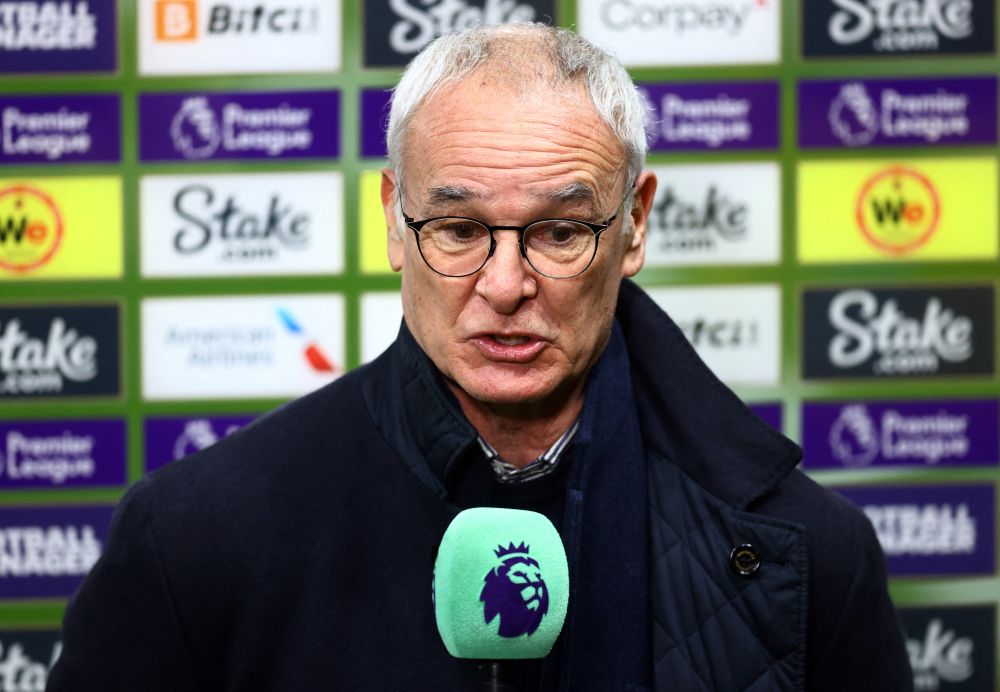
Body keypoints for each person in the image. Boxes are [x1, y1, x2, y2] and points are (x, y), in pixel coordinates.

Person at [47, 23, 913, 692]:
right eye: (458, 229)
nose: (505, 284)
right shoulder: (192, 536)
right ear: (394, 217)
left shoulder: (813, 553)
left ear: (636, 223)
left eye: (561, 231)